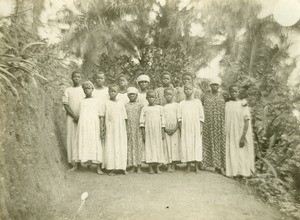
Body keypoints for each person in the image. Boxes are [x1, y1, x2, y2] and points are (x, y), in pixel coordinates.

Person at [225, 85, 255, 177]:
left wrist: (243, 136)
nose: (234, 93)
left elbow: (246, 121)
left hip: (240, 132)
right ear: (229, 92)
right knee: (231, 151)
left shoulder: (242, 105)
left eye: (236, 91)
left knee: (241, 153)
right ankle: (233, 172)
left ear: (238, 92)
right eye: (232, 91)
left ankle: (243, 173)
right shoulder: (227, 104)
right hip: (230, 132)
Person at [74, 81, 103, 174]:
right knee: (82, 142)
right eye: (85, 89)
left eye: (89, 88)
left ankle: (98, 167)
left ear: (92, 89)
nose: (87, 90)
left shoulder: (96, 101)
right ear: (83, 90)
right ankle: (77, 165)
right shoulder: (81, 101)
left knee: (95, 143)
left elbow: (100, 115)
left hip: (93, 125)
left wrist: (101, 126)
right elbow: (80, 114)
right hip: (83, 125)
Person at [100, 84, 128, 175]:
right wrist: (102, 128)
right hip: (110, 128)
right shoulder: (105, 103)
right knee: (110, 146)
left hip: (120, 128)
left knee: (121, 146)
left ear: (117, 92)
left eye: (115, 91)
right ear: (108, 92)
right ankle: (111, 168)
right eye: (111, 91)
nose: (113, 93)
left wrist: (126, 129)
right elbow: (102, 117)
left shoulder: (120, 103)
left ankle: (122, 167)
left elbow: (125, 118)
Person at [178, 83, 204, 173]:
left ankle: (196, 166)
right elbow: (179, 118)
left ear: (193, 90)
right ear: (184, 91)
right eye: (186, 89)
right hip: (186, 128)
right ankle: (188, 166)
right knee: (187, 145)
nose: (187, 90)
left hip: (195, 127)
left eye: (189, 89)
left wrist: (200, 127)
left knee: (196, 145)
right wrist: (181, 129)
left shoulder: (198, 102)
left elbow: (201, 116)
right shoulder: (181, 103)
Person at [202, 77, 226, 174]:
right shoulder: (205, 96)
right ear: (210, 86)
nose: (214, 86)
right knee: (207, 142)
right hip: (208, 123)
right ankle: (206, 164)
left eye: (216, 85)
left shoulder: (223, 95)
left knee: (219, 143)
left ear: (219, 86)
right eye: (213, 85)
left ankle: (219, 166)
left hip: (219, 123)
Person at [62, 69, 85, 168]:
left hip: (82, 117)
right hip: (71, 118)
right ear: (71, 78)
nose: (76, 78)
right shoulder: (68, 90)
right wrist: (74, 116)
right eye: (75, 77)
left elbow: (85, 103)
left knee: (80, 137)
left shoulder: (83, 89)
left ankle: (81, 161)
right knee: (71, 137)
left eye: (78, 77)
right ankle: (73, 163)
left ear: (81, 78)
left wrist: (80, 115)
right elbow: (66, 105)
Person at [140, 90, 166, 174]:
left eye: (153, 97)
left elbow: (163, 121)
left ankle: (157, 167)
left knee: (158, 147)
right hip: (148, 131)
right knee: (149, 148)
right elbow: (142, 122)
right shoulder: (144, 108)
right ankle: (150, 167)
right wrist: (144, 134)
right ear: (146, 98)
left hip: (157, 131)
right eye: (150, 97)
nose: (151, 99)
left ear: (156, 98)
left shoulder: (160, 108)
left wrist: (162, 132)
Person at [125, 87, 144, 173]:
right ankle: (132, 165)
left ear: (137, 95)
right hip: (129, 128)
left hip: (138, 128)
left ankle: (139, 166)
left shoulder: (140, 105)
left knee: (138, 146)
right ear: (128, 95)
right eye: (130, 94)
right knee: (131, 146)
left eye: (134, 94)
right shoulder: (125, 106)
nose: (132, 96)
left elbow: (143, 116)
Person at [163, 88, 181, 172]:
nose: (168, 96)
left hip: (175, 129)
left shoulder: (177, 105)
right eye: (167, 94)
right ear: (164, 96)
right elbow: (162, 119)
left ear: (173, 95)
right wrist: (165, 129)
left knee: (174, 146)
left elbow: (179, 118)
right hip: (166, 129)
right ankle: (168, 165)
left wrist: (175, 128)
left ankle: (173, 164)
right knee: (167, 147)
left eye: (170, 94)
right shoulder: (163, 107)